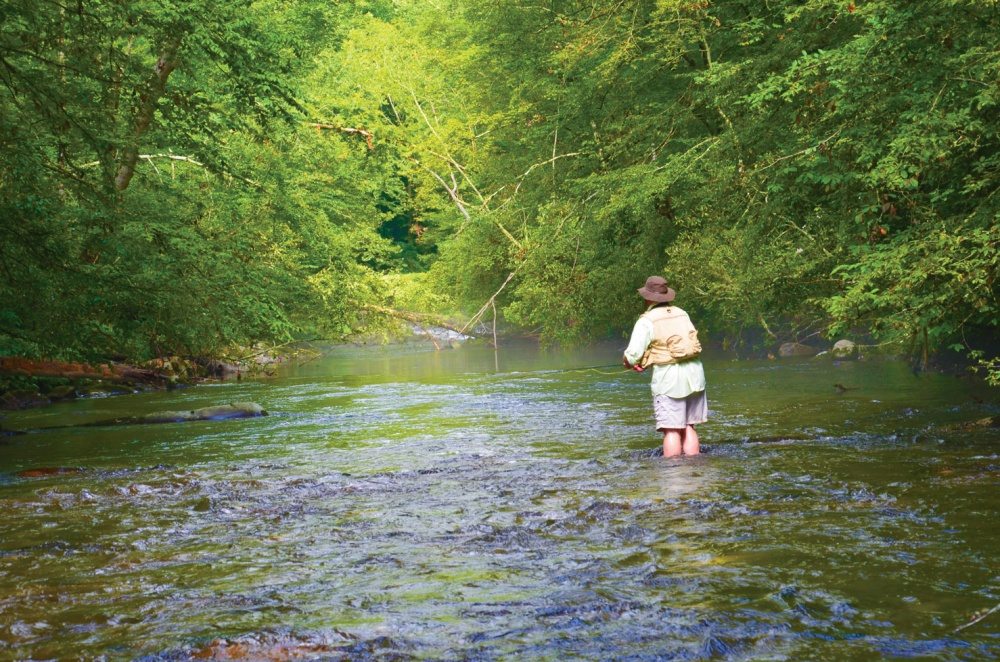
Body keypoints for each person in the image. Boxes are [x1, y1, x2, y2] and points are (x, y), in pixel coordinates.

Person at [623, 275, 708, 457]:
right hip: (695, 376)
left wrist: (629, 363)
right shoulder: (682, 313)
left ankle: (673, 474)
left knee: (671, 430)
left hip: (670, 382)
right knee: (688, 426)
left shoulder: (647, 320)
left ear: (647, 298)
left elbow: (632, 356)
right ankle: (695, 470)